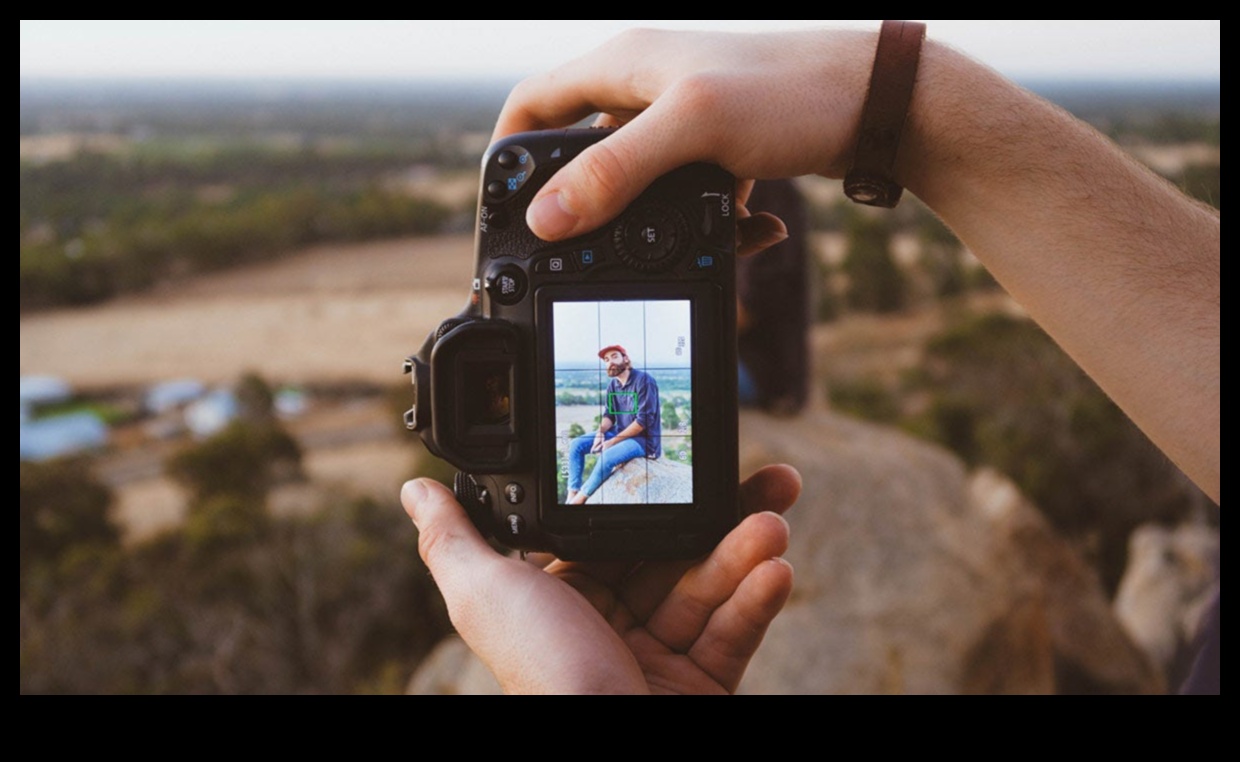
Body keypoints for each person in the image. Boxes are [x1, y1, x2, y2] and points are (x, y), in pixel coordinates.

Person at [401, 26, 1219, 693]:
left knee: (609, 451)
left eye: (615, 356)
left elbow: (671, 393)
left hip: (724, 401)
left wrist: (902, 94)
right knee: (584, 447)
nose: (613, 365)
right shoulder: (623, 374)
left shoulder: (648, 374)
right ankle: (580, 487)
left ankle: (582, 493)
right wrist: (901, 94)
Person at [565, 344, 662, 505]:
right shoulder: (613, 385)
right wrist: (600, 433)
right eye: (606, 359)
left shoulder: (644, 381)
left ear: (626, 359)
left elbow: (643, 421)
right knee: (576, 444)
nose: (610, 362)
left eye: (614, 357)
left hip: (644, 440)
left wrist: (612, 442)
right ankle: (572, 493)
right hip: (620, 432)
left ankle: (579, 500)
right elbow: (609, 415)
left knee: (607, 457)